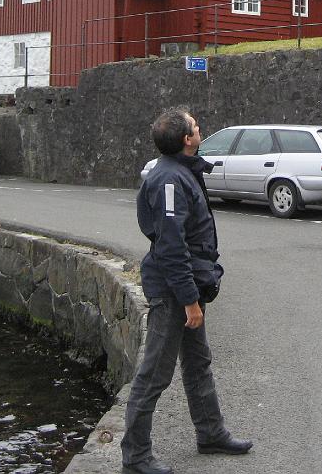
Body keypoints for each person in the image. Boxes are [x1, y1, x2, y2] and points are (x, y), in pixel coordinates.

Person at [121, 108, 252, 474]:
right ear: (186, 140)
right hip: (174, 291)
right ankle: (135, 457)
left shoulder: (181, 172)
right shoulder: (168, 181)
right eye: (195, 126)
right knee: (154, 375)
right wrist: (190, 302)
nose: (200, 128)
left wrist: (194, 293)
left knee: (198, 363)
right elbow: (171, 248)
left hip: (189, 284)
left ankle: (210, 434)